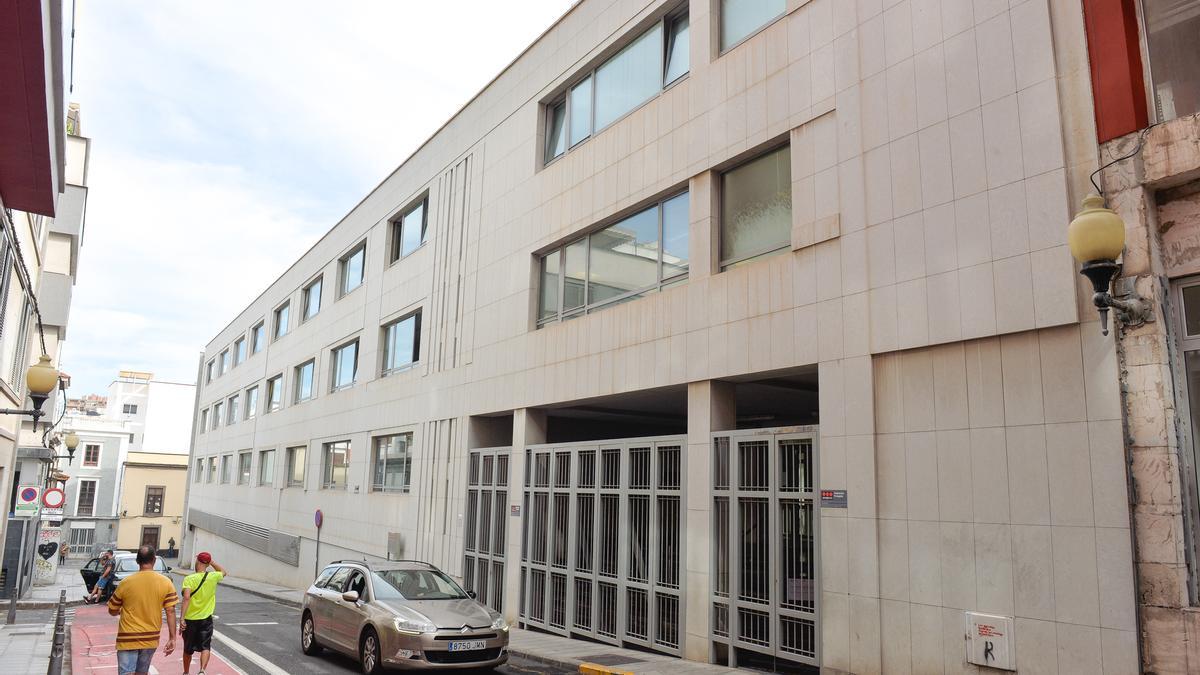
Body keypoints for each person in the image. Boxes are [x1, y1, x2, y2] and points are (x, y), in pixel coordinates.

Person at [107, 546, 177, 675]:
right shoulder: (166, 583)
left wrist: (120, 610)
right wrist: (172, 638)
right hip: (150, 638)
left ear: (137, 561)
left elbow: (112, 610)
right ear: (154, 560)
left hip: (127, 637)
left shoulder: (126, 582)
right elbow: (170, 611)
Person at [179, 552, 226, 675]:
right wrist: (212, 562)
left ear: (198, 562)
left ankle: (186, 672)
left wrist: (182, 618)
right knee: (206, 646)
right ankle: (202, 670)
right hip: (206, 619)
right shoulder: (213, 577)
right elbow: (223, 572)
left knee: (188, 649)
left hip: (190, 619)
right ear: (207, 564)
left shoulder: (189, 579)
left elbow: (187, 598)